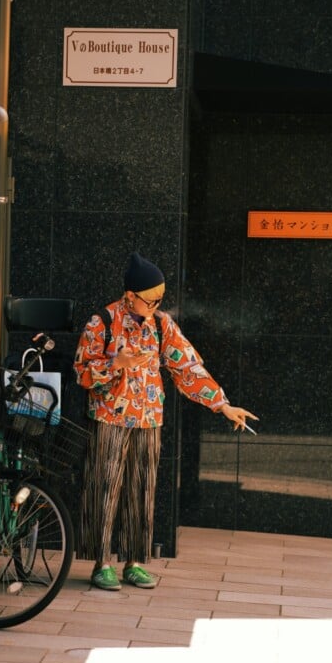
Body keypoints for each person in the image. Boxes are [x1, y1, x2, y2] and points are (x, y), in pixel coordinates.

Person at [73, 252, 258, 591]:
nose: (156, 304)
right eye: (150, 299)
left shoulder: (162, 325)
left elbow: (188, 368)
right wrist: (117, 364)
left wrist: (223, 405)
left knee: (142, 491)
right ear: (130, 295)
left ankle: (134, 562)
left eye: (161, 298)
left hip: (149, 419)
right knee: (104, 488)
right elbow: (83, 373)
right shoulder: (102, 322)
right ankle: (102, 563)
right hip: (109, 418)